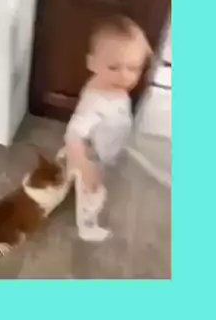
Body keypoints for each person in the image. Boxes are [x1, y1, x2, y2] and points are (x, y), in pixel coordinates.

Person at [64, 15, 151, 242]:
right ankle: (87, 227)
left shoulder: (108, 85)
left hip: (105, 144)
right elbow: (74, 133)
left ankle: (71, 170)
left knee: (85, 173)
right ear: (91, 63)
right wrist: (85, 166)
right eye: (114, 67)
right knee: (93, 194)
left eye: (134, 68)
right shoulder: (97, 103)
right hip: (93, 157)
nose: (125, 76)